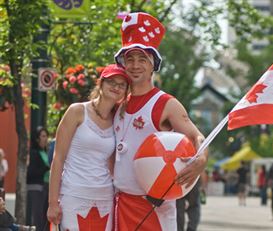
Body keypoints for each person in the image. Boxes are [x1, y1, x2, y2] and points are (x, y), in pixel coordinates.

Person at [113, 12, 208, 230]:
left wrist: (201, 161)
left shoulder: (165, 103)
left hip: (154, 208)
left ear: (153, 64)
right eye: (130, 59)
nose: (135, 65)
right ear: (122, 63)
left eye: (142, 60)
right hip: (120, 204)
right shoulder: (118, 102)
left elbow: (197, 136)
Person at [47, 64, 130, 230]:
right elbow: (58, 159)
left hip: (104, 196)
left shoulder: (118, 120)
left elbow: (114, 162)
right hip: (74, 194)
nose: (116, 87)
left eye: (122, 85)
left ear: (126, 92)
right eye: (112, 82)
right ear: (101, 83)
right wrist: (52, 202)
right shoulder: (77, 111)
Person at [26, 126, 50, 231]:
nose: (46, 139)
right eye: (43, 136)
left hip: (45, 186)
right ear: (37, 138)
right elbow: (32, 171)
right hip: (36, 187)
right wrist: (46, 168)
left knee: (44, 215)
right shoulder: (33, 152)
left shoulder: (44, 152)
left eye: (46, 136)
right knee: (38, 215)